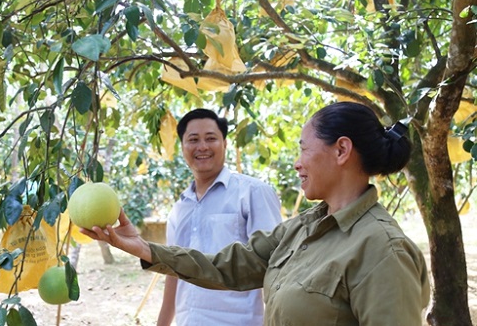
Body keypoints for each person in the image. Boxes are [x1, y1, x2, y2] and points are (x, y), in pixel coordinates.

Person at [82, 102, 431, 326]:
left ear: (341, 150)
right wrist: (143, 249)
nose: (296, 162)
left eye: (303, 149)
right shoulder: (303, 228)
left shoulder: (383, 251)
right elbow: (229, 266)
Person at [157, 108, 282, 326]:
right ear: (183, 147)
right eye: (193, 139)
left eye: (211, 138)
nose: (202, 146)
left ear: (224, 144)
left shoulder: (252, 193)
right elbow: (173, 272)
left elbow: (275, 267)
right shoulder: (180, 208)